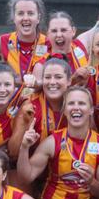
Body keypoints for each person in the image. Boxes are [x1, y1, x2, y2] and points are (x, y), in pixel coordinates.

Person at [8, 58, 72, 186]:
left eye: (58, 77)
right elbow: (13, 152)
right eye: (48, 77)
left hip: (65, 176)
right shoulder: (30, 106)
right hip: (31, 174)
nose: (52, 82)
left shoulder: (75, 104)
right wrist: (23, 132)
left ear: (69, 81)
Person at [32, 11, 97, 87]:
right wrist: (73, 80)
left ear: (73, 31)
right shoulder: (41, 65)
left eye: (63, 30)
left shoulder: (81, 45)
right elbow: (38, 90)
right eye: (54, 31)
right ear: (48, 34)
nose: (59, 35)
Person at [0, 0, 49, 77]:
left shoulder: (48, 43)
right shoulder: (2, 41)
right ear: (14, 18)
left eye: (30, 13)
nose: (25, 18)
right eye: (20, 13)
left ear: (38, 18)